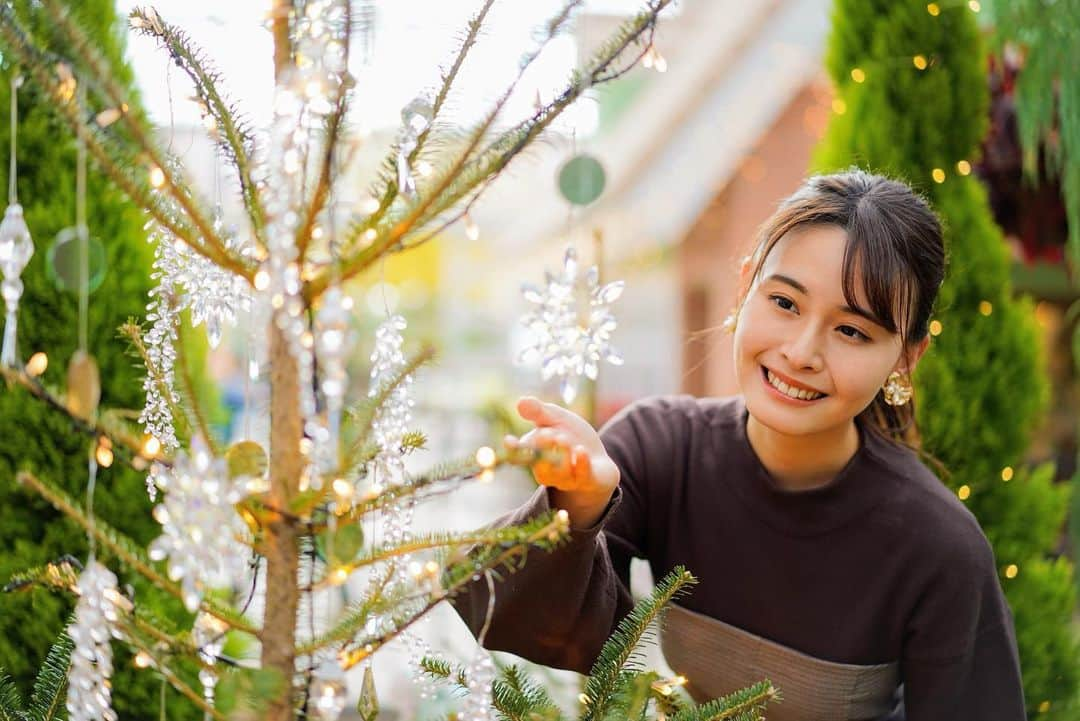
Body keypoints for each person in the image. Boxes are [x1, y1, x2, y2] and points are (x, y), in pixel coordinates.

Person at [451, 169, 1026, 721]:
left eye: (851, 330)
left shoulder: (939, 546)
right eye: (784, 303)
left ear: (905, 358)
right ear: (746, 286)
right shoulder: (660, 450)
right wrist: (576, 506)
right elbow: (502, 613)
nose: (802, 351)